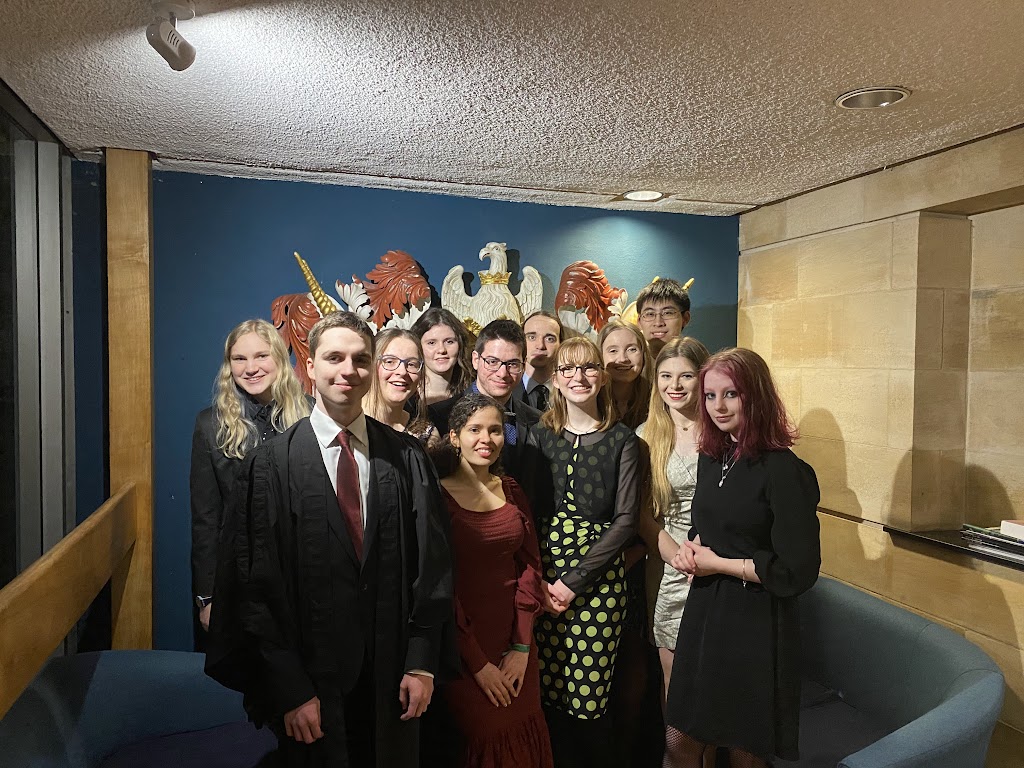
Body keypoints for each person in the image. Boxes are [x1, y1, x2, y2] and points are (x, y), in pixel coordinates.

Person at [205, 311, 455, 768]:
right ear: (309, 367)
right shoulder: (270, 467)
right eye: (334, 357)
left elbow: (431, 566)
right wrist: (289, 688)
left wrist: (421, 660)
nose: (348, 370)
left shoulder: (406, 457)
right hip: (310, 683)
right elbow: (256, 587)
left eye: (361, 359)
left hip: (391, 676)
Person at [663, 348, 820, 768]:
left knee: (742, 752)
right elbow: (713, 527)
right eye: (710, 396)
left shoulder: (784, 471)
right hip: (706, 612)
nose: (718, 407)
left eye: (731, 394)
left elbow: (797, 569)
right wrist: (692, 548)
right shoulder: (714, 458)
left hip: (755, 623)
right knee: (680, 742)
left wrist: (718, 564)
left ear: (756, 397)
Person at [528, 337, 641, 768]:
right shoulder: (539, 436)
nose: (579, 378)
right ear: (556, 379)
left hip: (598, 586)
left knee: (588, 701)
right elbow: (529, 511)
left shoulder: (622, 440)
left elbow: (626, 521)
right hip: (541, 579)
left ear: (601, 376)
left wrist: (572, 584)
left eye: (589, 368)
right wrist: (539, 579)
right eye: (569, 370)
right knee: (547, 696)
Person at [439, 393, 554, 768]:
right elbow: (440, 587)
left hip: (516, 646)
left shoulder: (512, 489)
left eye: (494, 430)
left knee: (526, 740)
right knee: (487, 741)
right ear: (454, 437)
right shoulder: (436, 497)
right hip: (462, 653)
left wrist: (521, 648)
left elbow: (530, 568)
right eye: (474, 430)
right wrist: (478, 664)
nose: (485, 439)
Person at [189, 318, 310, 641]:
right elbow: (205, 520)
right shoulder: (210, 425)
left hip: (301, 580)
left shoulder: (312, 416)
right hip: (237, 582)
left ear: (279, 359)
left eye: (261, 356)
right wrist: (207, 597)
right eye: (239, 358)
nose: (250, 367)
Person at [634, 337, 710, 701]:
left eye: (686, 376)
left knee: (715, 681)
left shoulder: (725, 432)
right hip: (669, 565)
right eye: (666, 376)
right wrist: (674, 553)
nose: (674, 386)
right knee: (676, 685)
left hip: (720, 563)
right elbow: (640, 513)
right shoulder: (645, 436)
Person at [428, 319, 542, 482]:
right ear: (476, 360)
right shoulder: (439, 416)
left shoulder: (537, 421)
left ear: (523, 366)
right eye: (493, 362)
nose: (502, 373)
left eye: (512, 364)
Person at [362, 328, 436, 445]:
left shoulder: (425, 436)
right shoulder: (348, 423)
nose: (402, 371)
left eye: (411, 364)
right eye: (390, 361)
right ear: (370, 364)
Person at [411, 307, 475, 406]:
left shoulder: (472, 395)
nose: (441, 350)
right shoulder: (407, 397)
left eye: (449, 342)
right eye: (431, 343)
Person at [599, 320, 653, 430]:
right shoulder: (590, 402)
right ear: (600, 356)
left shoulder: (657, 399)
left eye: (632, 349)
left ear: (643, 355)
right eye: (613, 350)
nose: (623, 359)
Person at [514, 310, 563, 412]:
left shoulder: (569, 391)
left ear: (561, 344)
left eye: (550, 339)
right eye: (531, 337)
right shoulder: (507, 389)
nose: (540, 345)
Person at [635, 279, 691, 357]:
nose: (658, 323)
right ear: (639, 321)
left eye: (668, 313)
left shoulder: (701, 366)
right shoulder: (628, 365)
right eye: (650, 314)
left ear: (685, 318)